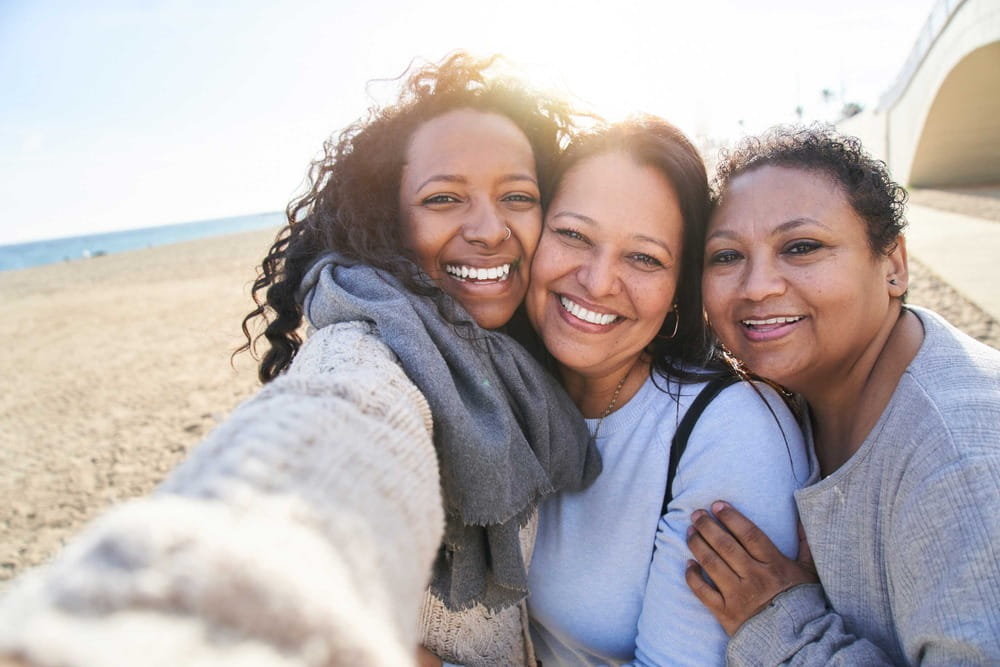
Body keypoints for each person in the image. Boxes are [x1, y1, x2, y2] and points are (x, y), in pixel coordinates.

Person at [0, 53, 601, 667]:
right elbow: (334, 425)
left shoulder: (523, 355)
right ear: (389, 218)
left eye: (518, 196)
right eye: (444, 198)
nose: (489, 229)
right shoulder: (368, 344)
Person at [687, 125, 1000, 665]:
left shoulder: (962, 467)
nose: (757, 286)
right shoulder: (807, 393)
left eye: (802, 247)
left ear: (894, 266)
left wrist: (787, 627)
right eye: (725, 256)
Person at [522, 117, 813, 666]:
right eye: (573, 235)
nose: (598, 280)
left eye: (644, 258)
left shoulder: (726, 431)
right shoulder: (509, 387)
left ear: (679, 289)